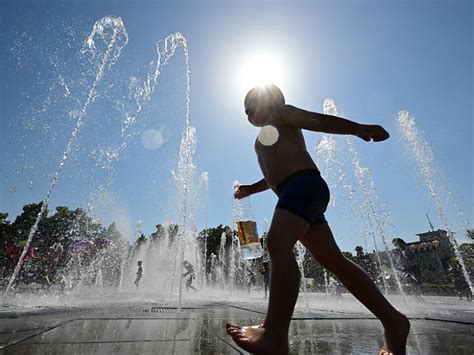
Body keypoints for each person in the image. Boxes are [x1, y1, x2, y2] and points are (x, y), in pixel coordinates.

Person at [226, 84, 410, 355]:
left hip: (302, 187)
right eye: (244, 110)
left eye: (249, 105)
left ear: (271, 100)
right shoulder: (266, 136)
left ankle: (274, 333)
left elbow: (316, 120)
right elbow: (274, 172)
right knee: (333, 260)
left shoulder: (282, 114)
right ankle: (393, 321)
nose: (246, 112)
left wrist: (356, 128)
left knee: (277, 244)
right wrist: (252, 189)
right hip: (300, 191)